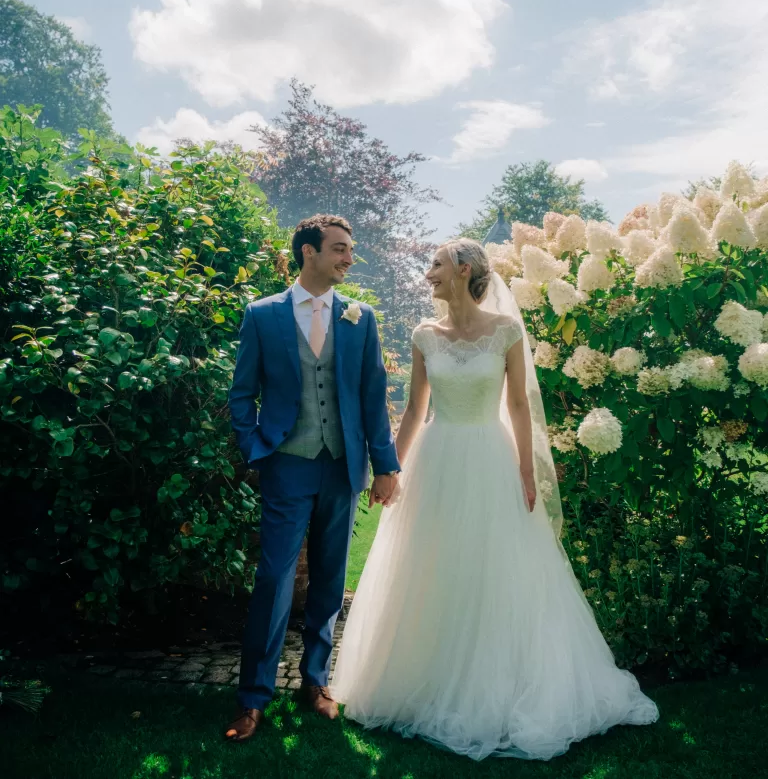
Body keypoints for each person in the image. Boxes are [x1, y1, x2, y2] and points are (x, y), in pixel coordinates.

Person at [331, 238, 659, 761]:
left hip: (490, 457)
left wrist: (527, 472)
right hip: (437, 460)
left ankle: (498, 681)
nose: (428, 274)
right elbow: (415, 411)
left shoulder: (506, 331)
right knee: (432, 565)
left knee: (495, 568)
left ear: (463, 271)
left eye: (435, 265)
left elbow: (520, 407)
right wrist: (390, 469)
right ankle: (428, 678)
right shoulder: (424, 335)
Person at [225, 214, 400, 743]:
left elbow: (373, 396)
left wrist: (385, 464)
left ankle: (315, 683)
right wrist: (257, 449)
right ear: (308, 253)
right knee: (274, 579)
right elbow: (241, 393)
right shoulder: (263, 315)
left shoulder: (359, 316)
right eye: (340, 249)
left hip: (342, 466)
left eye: (350, 249)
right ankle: (253, 699)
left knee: (329, 580)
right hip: (287, 463)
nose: (349, 258)